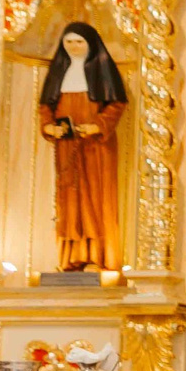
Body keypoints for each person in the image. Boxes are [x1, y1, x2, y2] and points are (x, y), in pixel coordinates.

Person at [36, 23, 128, 273]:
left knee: (96, 199)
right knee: (70, 200)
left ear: (90, 45)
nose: (74, 47)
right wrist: (49, 127)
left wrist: (97, 126)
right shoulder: (59, 72)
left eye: (79, 42)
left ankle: (98, 258)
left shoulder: (102, 71)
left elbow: (116, 105)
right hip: (67, 146)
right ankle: (70, 259)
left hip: (96, 148)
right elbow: (46, 106)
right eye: (69, 43)